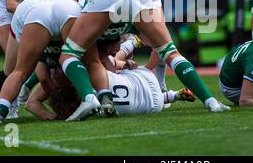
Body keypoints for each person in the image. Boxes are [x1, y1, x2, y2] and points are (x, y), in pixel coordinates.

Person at [56, 0, 230, 122]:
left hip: (104, 11)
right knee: (169, 52)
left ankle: (97, 97)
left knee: (79, 57)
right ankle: (210, 101)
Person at [25, 37, 196, 120]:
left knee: (117, 70)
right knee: (112, 64)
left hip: (154, 105)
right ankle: (137, 45)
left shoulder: (88, 112)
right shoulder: (82, 74)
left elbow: (31, 104)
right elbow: (113, 63)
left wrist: (54, 117)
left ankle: (171, 95)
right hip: (144, 80)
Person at [0, 0, 81, 125]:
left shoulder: (52, 80)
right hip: (48, 9)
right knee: (17, 71)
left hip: (37, 10)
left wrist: (54, 114)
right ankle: (97, 98)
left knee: (20, 71)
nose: (60, 74)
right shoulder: (72, 74)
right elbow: (42, 78)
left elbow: (42, 80)